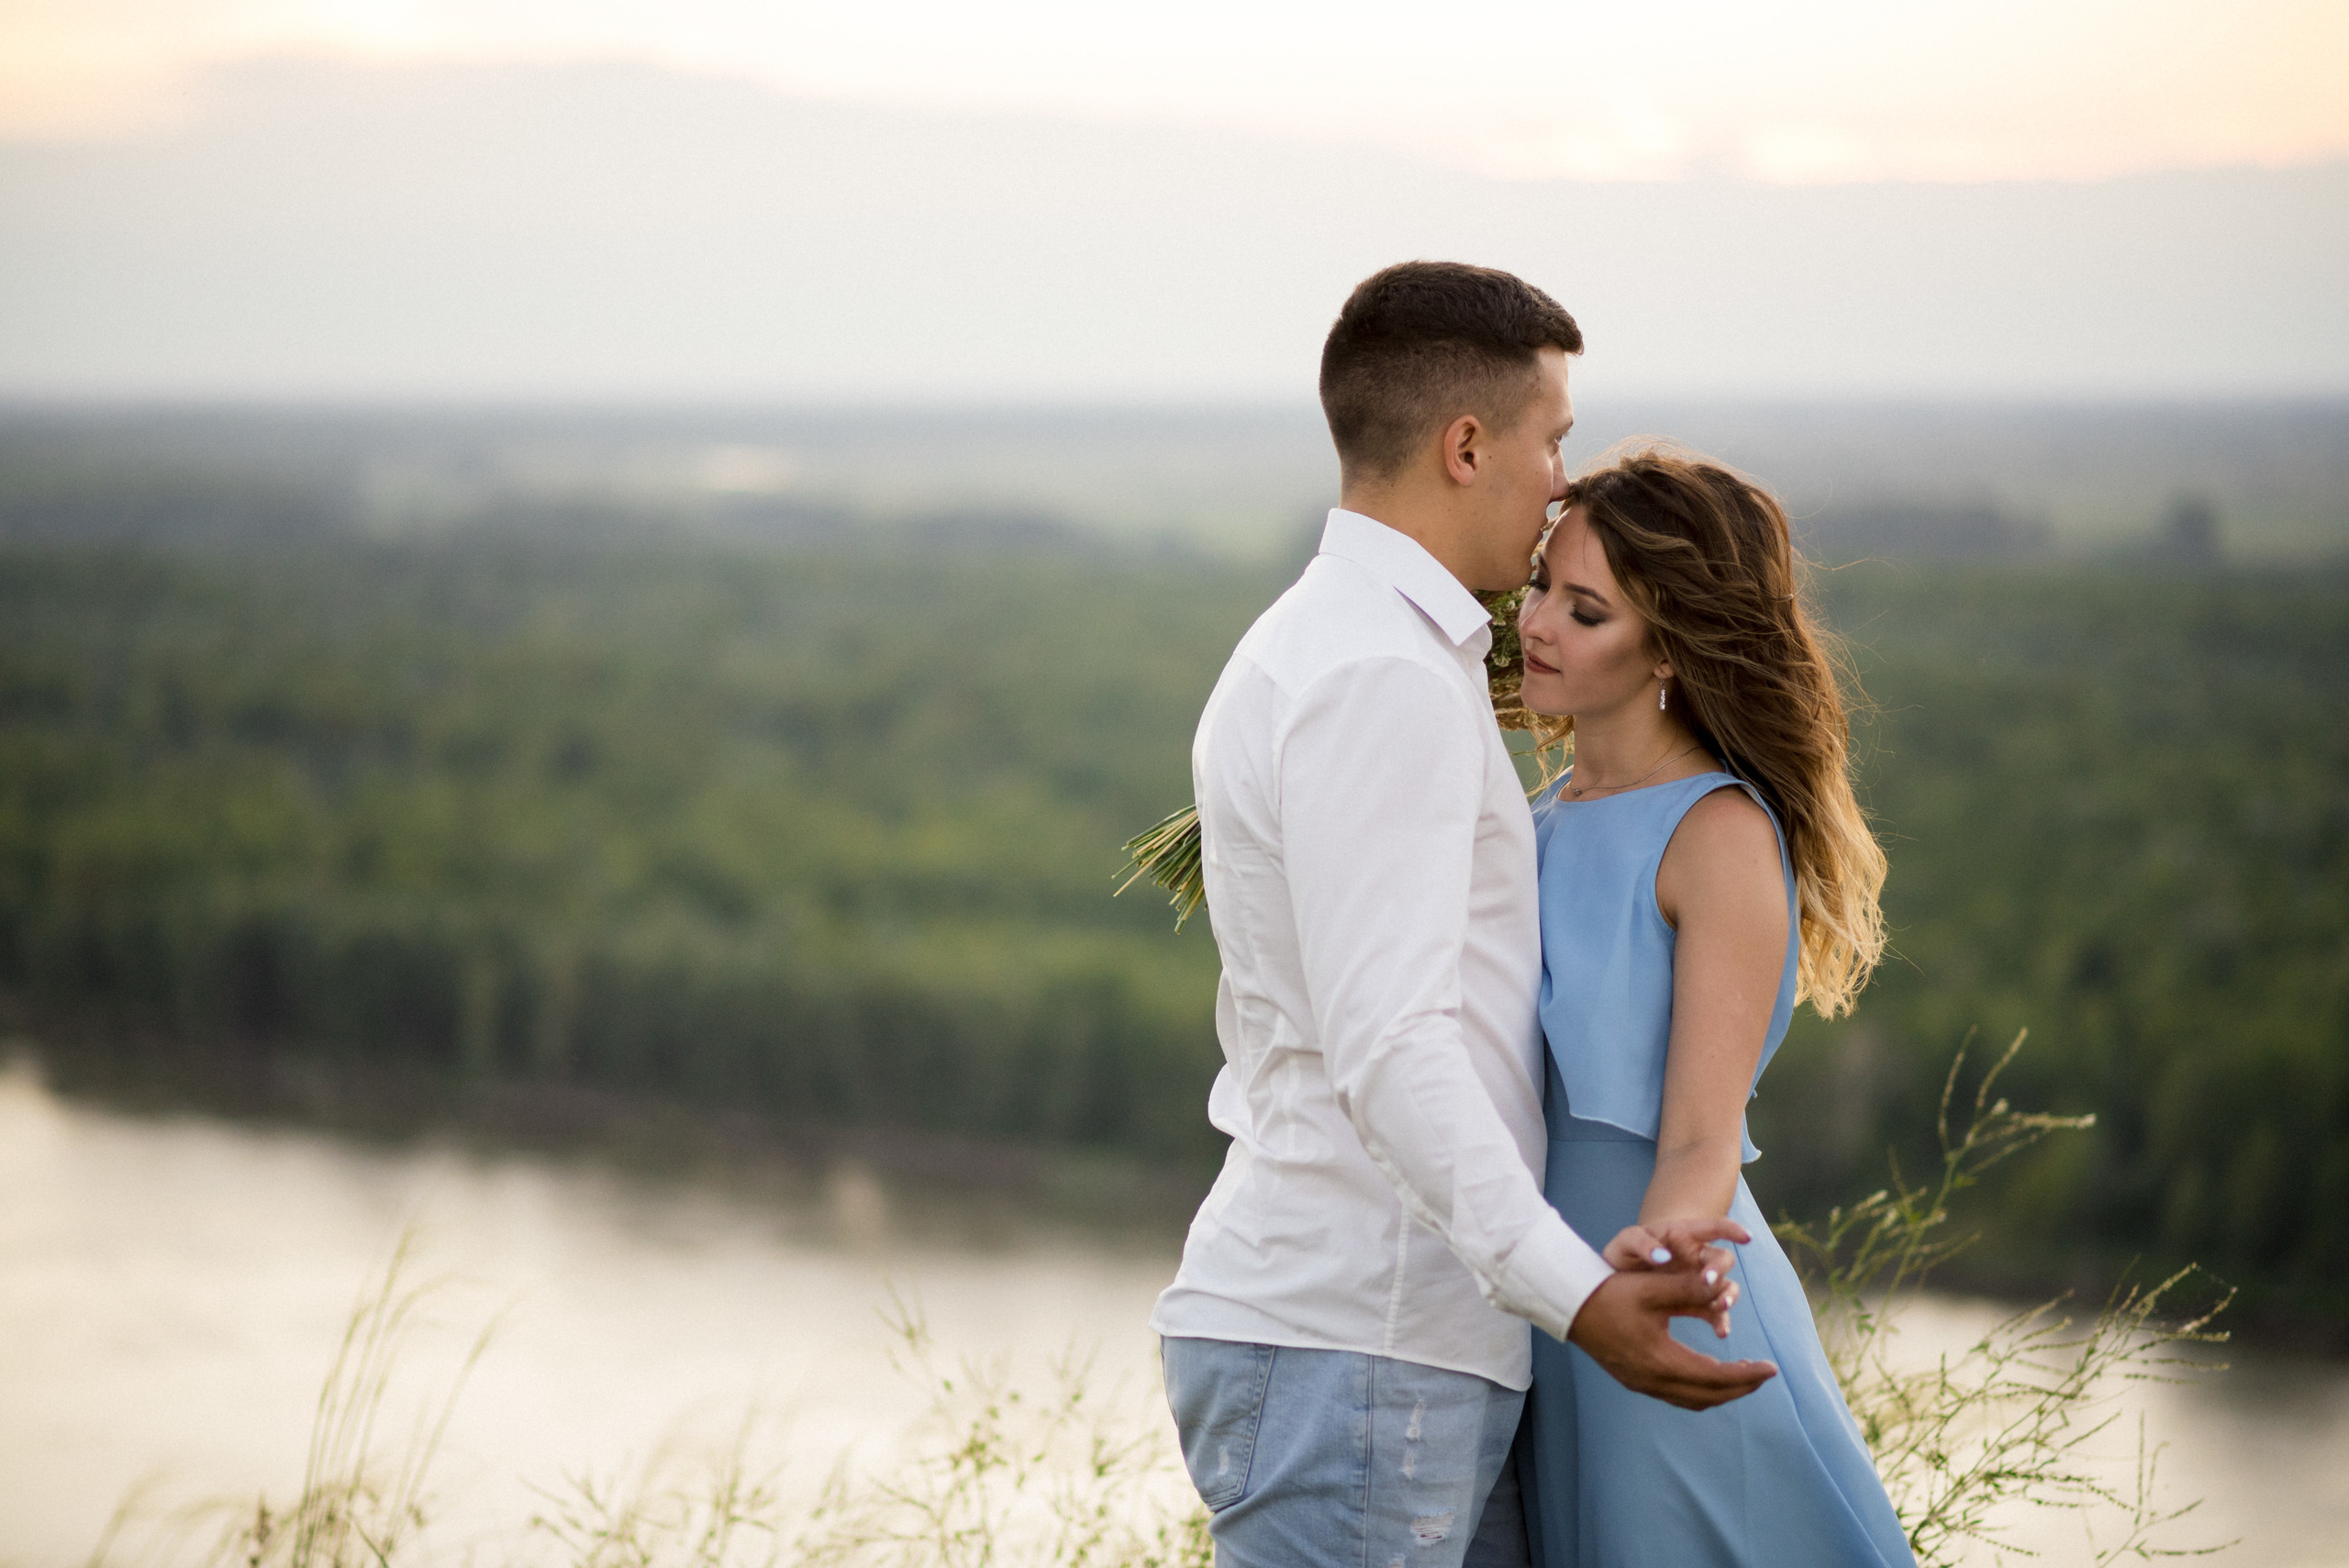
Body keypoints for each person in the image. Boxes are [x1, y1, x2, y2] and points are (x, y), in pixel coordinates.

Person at [1151, 264, 1775, 1568]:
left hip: (1389, 1343)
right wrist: (1579, 1297)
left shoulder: (1343, 640)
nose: (1560, 480)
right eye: (1551, 440)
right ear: (1467, 445)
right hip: (1359, 1340)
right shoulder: (1379, 673)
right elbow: (1391, 1045)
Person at [1511, 446, 1914, 1566]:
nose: (1536, 623)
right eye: (1541, 584)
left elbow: (1699, 1134)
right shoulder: (1532, 817)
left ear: (1668, 647)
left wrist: (1655, 1266)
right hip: (1548, 1301)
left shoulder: (1717, 834)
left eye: (1584, 609)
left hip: (1659, 1297)